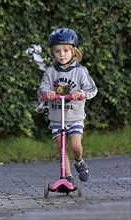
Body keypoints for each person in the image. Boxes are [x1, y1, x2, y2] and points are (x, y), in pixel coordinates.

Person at [38, 28, 98, 185]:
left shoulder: (80, 71)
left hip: (75, 118)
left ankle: (79, 162)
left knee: (75, 145)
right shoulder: (50, 72)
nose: (62, 54)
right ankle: (67, 177)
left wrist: (81, 93)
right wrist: (48, 93)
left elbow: (92, 89)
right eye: (57, 51)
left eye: (66, 50)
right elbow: (42, 89)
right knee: (62, 148)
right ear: (52, 53)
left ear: (74, 51)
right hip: (57, 118)